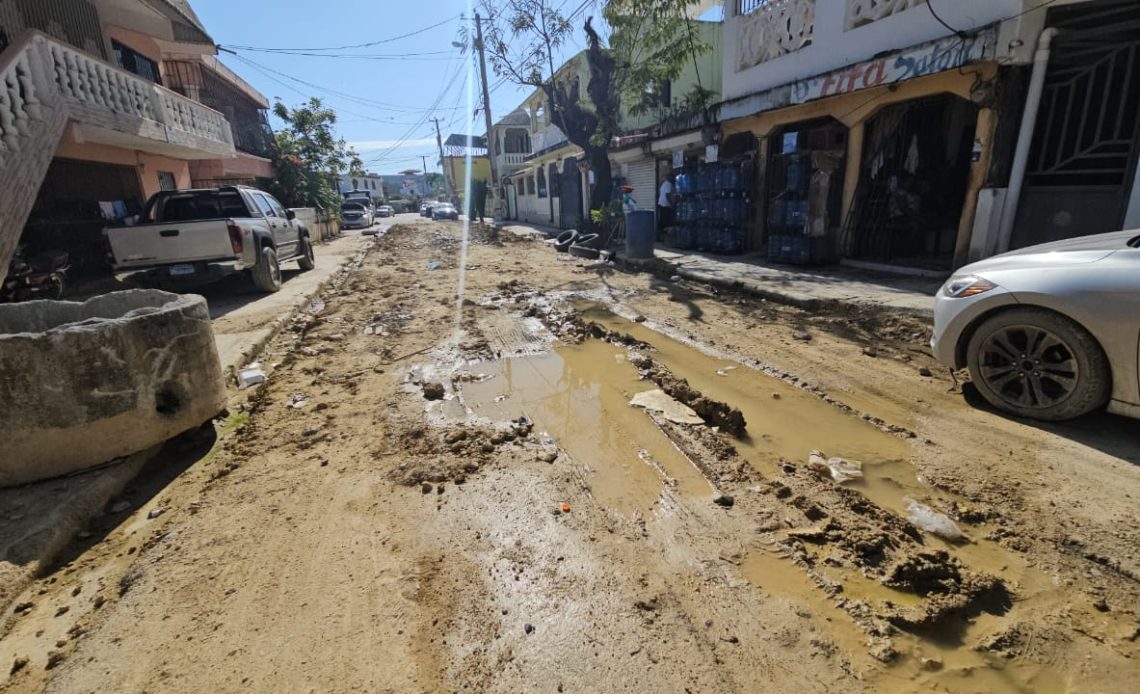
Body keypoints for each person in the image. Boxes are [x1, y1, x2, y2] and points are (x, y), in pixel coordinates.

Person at [657, 172, 676, 238]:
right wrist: (672, 204)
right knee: (666, 221)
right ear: (670, 177)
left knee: (662, 220)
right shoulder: (669, 184)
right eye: (672, 177)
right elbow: (667, 195)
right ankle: (663, 236)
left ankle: (659, 236)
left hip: (661, 203)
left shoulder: (664, 184)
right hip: (665, 204)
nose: (673, 179)